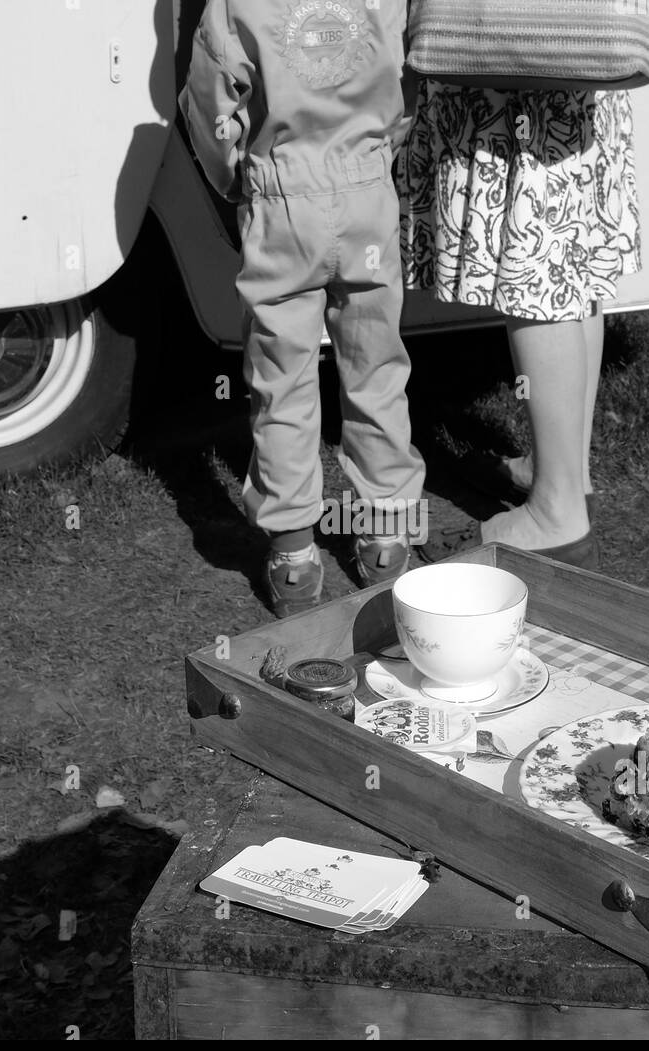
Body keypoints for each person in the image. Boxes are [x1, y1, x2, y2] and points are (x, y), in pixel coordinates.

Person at [180, 0, 425, 616]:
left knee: (281, 376)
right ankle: (388, 537)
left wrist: (238, 177)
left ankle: (293, 554)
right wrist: (379, 155)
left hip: (283, 197)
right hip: (368, 192)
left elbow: (210, 100)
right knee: (377, 369)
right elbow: (412, 76)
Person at [400, 82, 641, 566]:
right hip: (577, 63)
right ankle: (566, 475)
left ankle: (555, 514)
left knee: (535, 257)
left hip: (515, 69)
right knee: (566, 240)